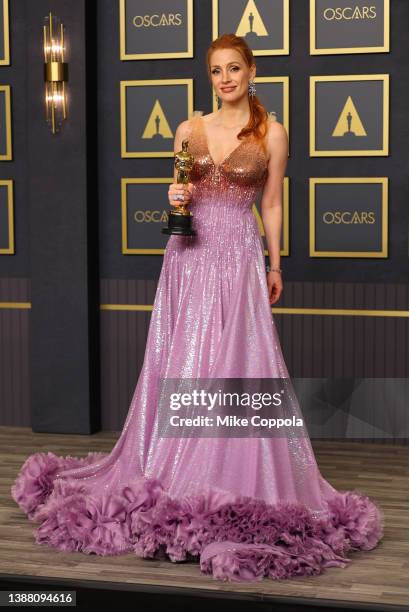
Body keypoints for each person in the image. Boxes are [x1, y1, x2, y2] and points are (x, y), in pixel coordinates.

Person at [11, 33, 383, 583]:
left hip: (238, 257)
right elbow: (180, 187)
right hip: (189, 256)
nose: (225, 78)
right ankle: (169, 463)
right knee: (184, 359)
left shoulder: (272, 132)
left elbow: (273, 202)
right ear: (209, 76)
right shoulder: (189, 129)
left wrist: (275, 264)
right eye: (216, 70)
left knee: (239, 364)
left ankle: (229, 469)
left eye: (234, 68)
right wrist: (174, 196)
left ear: (252, 70)